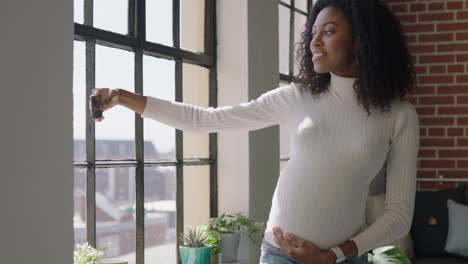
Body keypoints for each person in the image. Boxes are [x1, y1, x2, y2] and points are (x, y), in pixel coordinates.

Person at [92, 0, 420, 263]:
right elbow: (205, 119)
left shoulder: (399, 116)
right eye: (313, 32)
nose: (314, 42)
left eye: (329, 32)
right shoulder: (298, 96)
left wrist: (333, 255)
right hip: (279, 254)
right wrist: (123, 97)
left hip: (344, 259)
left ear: (361, 41)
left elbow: (399, 216)